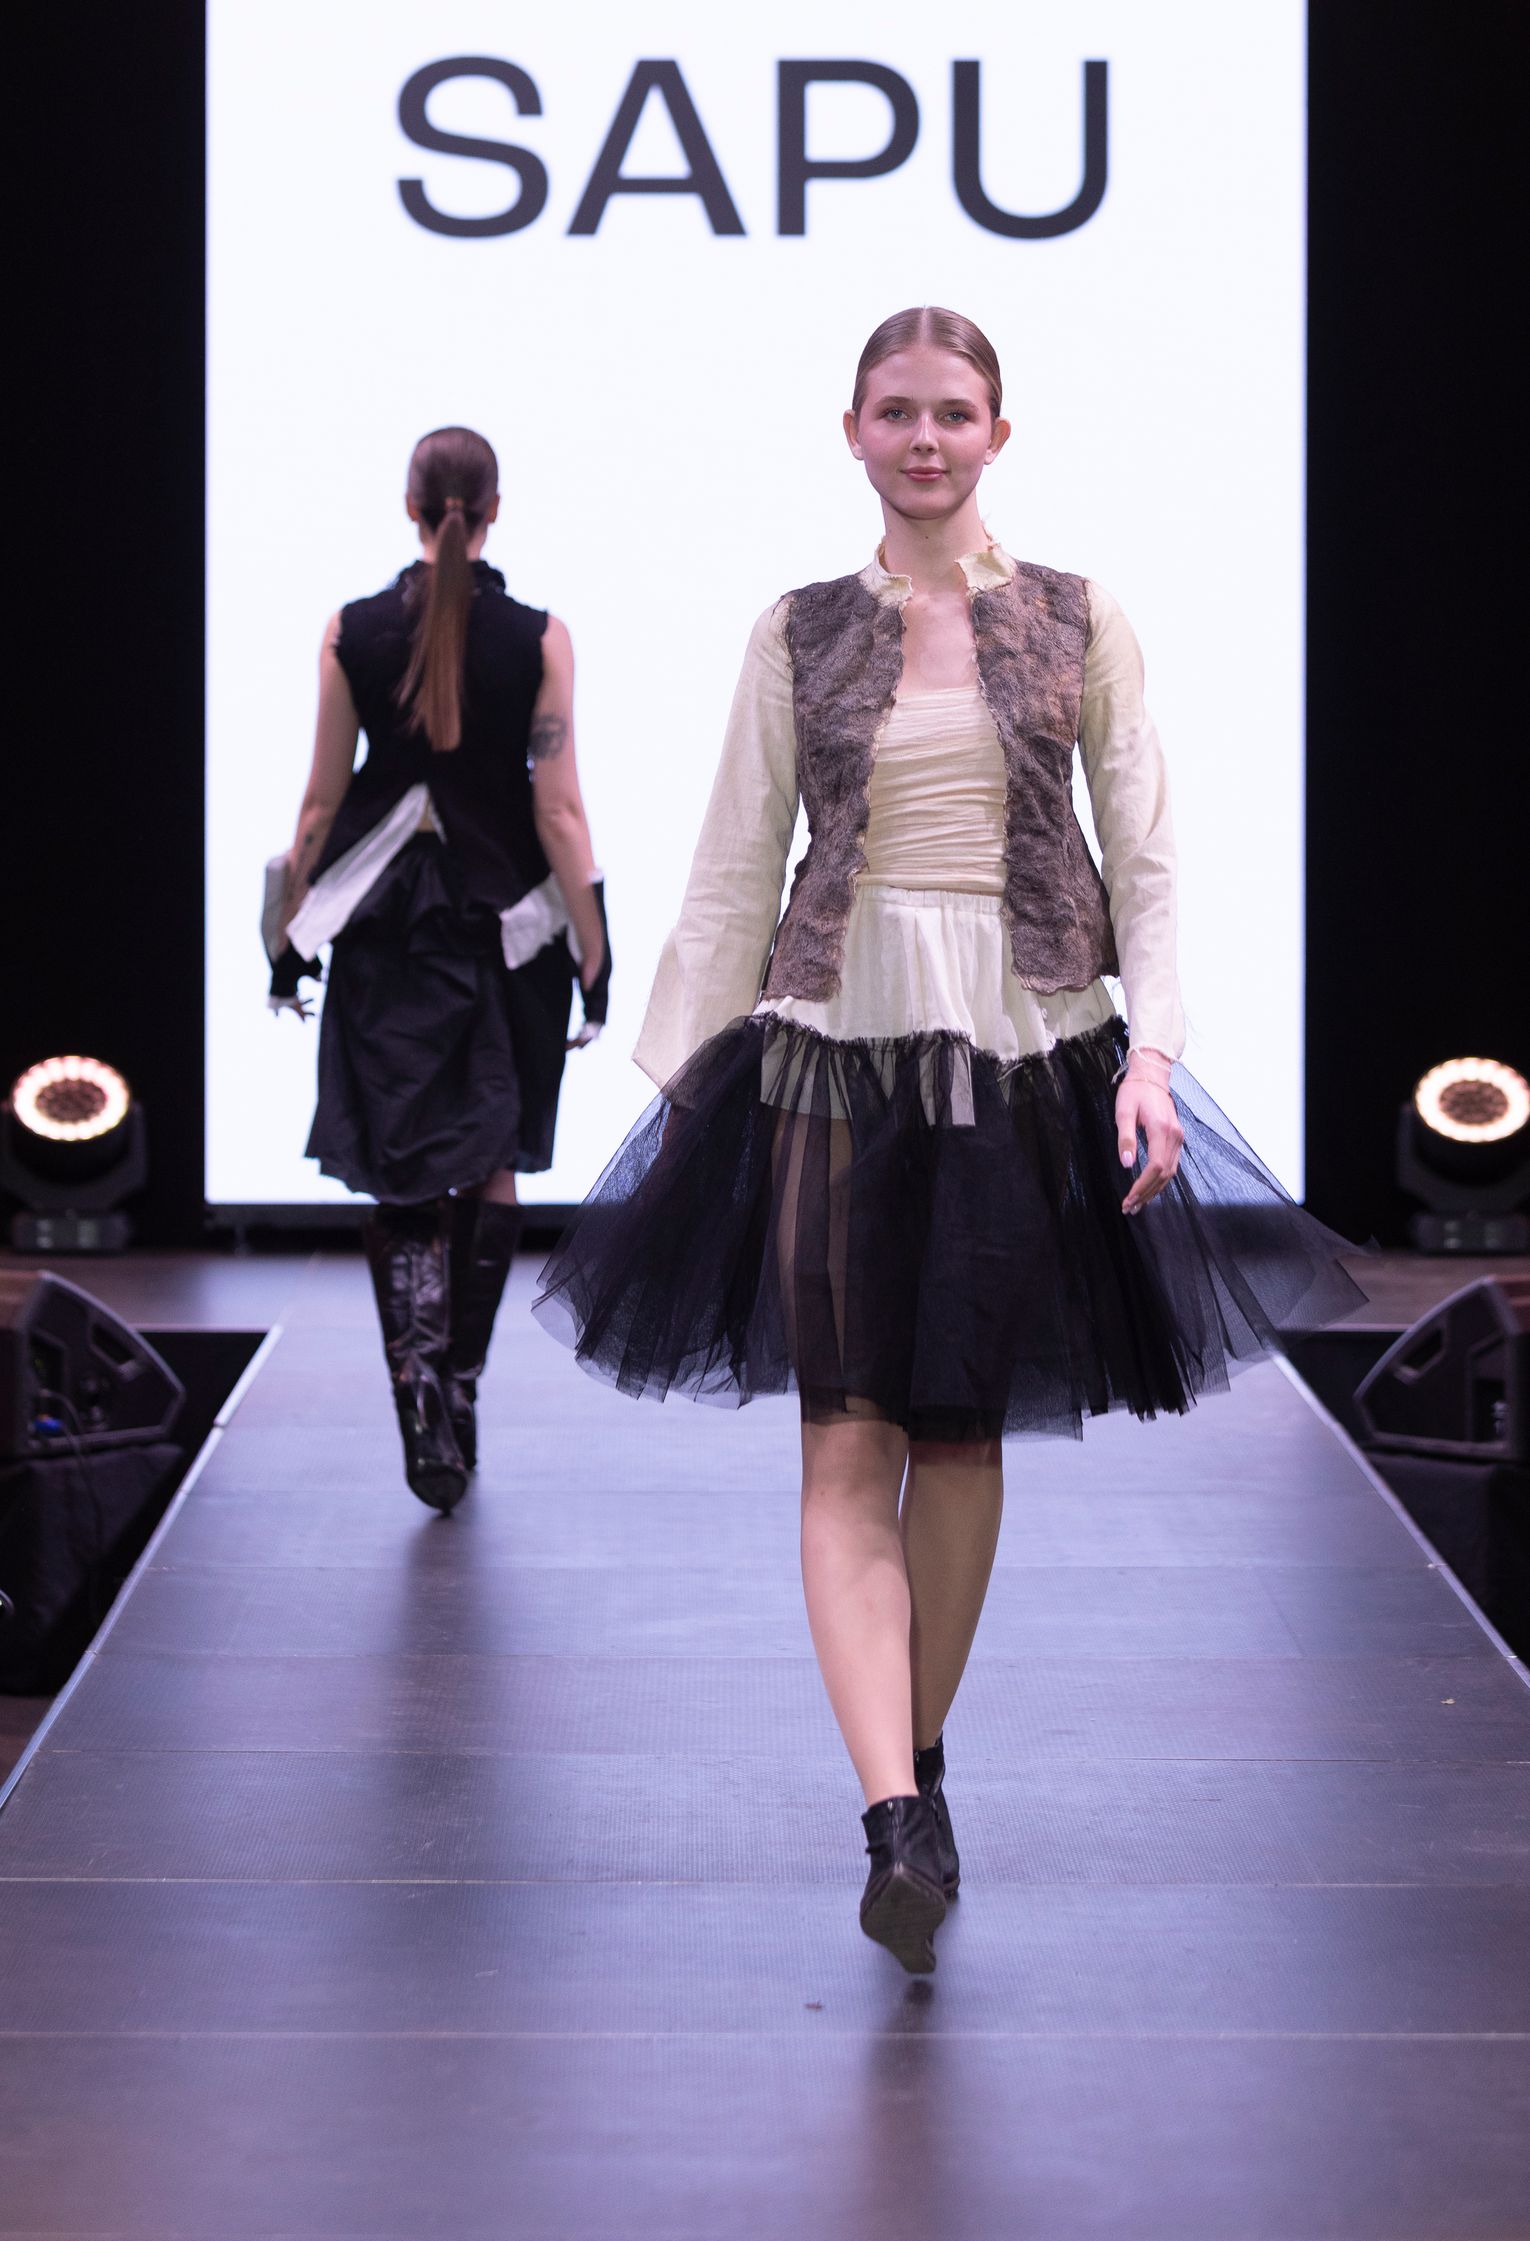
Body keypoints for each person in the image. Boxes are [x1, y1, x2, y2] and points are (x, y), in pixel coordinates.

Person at [533, 310, 1362, 1972]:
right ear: (849, 430)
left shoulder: (1077, 614)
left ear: (998, 431)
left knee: (961, 1435)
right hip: (827, 1054)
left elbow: (1148, 850)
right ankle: (893, 1812)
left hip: (1027, 1044)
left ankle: (914, 1751)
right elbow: (733, 861)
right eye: (897, 411)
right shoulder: (797, 629)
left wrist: (1154, 1053)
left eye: (954, 412)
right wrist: (687, 1086)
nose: (925, 437)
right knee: (845, 1437)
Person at [270, 425, 608, 1513]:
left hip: (386, 927)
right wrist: (594, 950)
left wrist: (283, 940)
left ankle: (416, 1386)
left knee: (401, 1164)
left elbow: (320, 804)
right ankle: (459, 1384)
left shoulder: (352, 631)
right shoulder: (540, 637)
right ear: (493, 509)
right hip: (505, 920)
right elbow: (558, 808)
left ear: (410, 508)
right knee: (491, 1157)